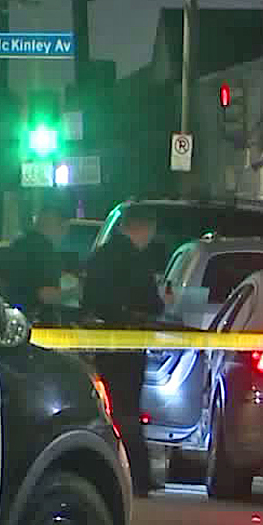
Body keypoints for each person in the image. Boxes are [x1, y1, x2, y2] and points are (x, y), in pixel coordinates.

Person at [79, 212, 167, 498]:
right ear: (144, 228)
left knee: (108, 407)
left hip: (102, 342)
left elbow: (87, 298)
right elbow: (152, 304)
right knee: (128, 409)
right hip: (128, 344)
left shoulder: (100, 255)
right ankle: (137, 474)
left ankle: (106, 469)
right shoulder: (136, 261)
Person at [0, 200, 72, 316]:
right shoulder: (46, 252)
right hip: (36, 323)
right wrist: (76, 293)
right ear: (62, 226)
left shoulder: (18, 245)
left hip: (10, 318)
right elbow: (46, 295)